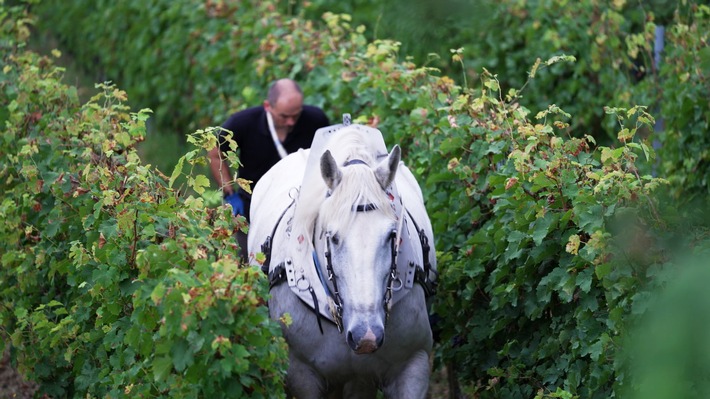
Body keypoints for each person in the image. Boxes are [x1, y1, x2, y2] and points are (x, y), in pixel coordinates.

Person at [208, 78, 330, 260]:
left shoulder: (315, 120)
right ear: (268, 106)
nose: (290, 122)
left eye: (295, 116)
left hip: (303, 203)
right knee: (241, 258)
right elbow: (215, 152)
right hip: (251, 204)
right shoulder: (244, 123)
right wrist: (229, 194)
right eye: (284, 116)